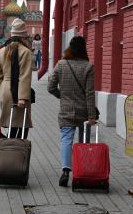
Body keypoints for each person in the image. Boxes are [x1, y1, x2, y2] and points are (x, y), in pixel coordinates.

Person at [47, 36, 97, 187]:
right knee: (83, 142)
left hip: (66, 110)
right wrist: (92, 116)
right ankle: (82, 171)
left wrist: (62, 96)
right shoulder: (88, 66)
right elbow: (89, 93)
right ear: (84, 49)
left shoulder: (61, 64)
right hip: (83, 111)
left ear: (70, 47)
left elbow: (50, 87)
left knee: (66, 140)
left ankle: (65, 171)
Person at [0, 19, 33, 139]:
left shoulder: (2, 51)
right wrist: (23, 97)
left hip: (5, 89)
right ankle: (17, 155)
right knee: (21, 127)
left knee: (11, 126)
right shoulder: (26, 52)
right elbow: (25, 76)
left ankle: (8, 153)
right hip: (19, 92)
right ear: (23, 35)